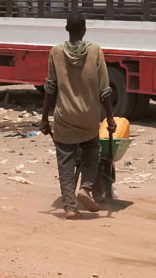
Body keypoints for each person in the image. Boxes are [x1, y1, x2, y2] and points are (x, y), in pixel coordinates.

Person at [40, 13, 116, 219]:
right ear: (84, 30)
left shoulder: (55, 53)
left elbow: (51, 88)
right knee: (92, 150)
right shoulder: (95, 51)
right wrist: (110, 118)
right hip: (89, 116)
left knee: (65, 160)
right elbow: (105, 90)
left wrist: (44, 117)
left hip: (65, 117)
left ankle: (70, 207)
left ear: (67, 29)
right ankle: (86, 187)